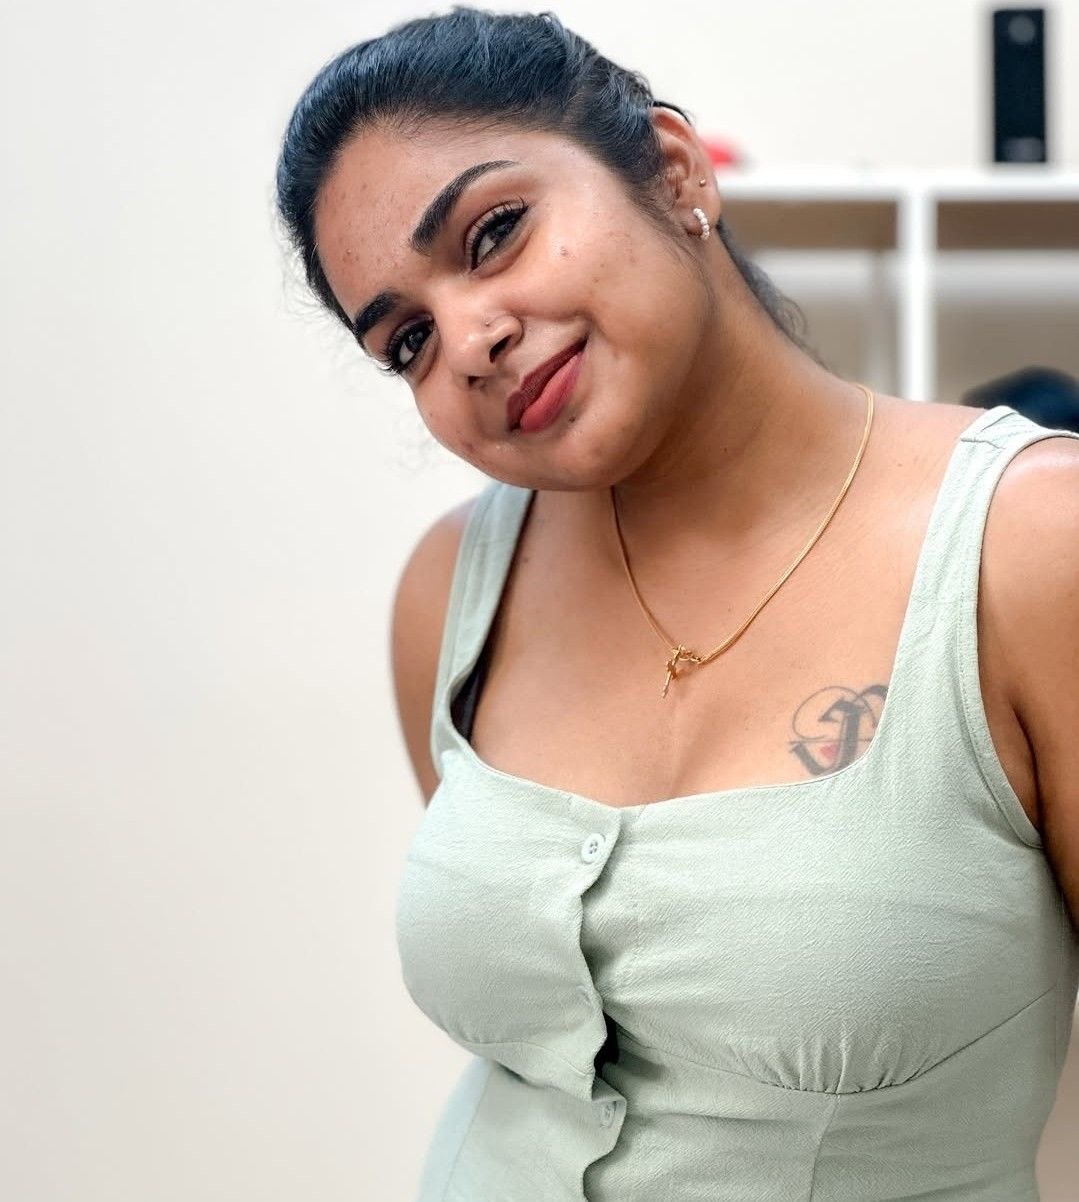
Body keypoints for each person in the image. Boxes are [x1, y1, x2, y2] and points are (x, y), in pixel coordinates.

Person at [275, 9, 1079, 1199]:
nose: (469, 339)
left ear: (671, 168)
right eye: (406, 341)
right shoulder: (450, 591)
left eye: (494, 232)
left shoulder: (1031, 542)